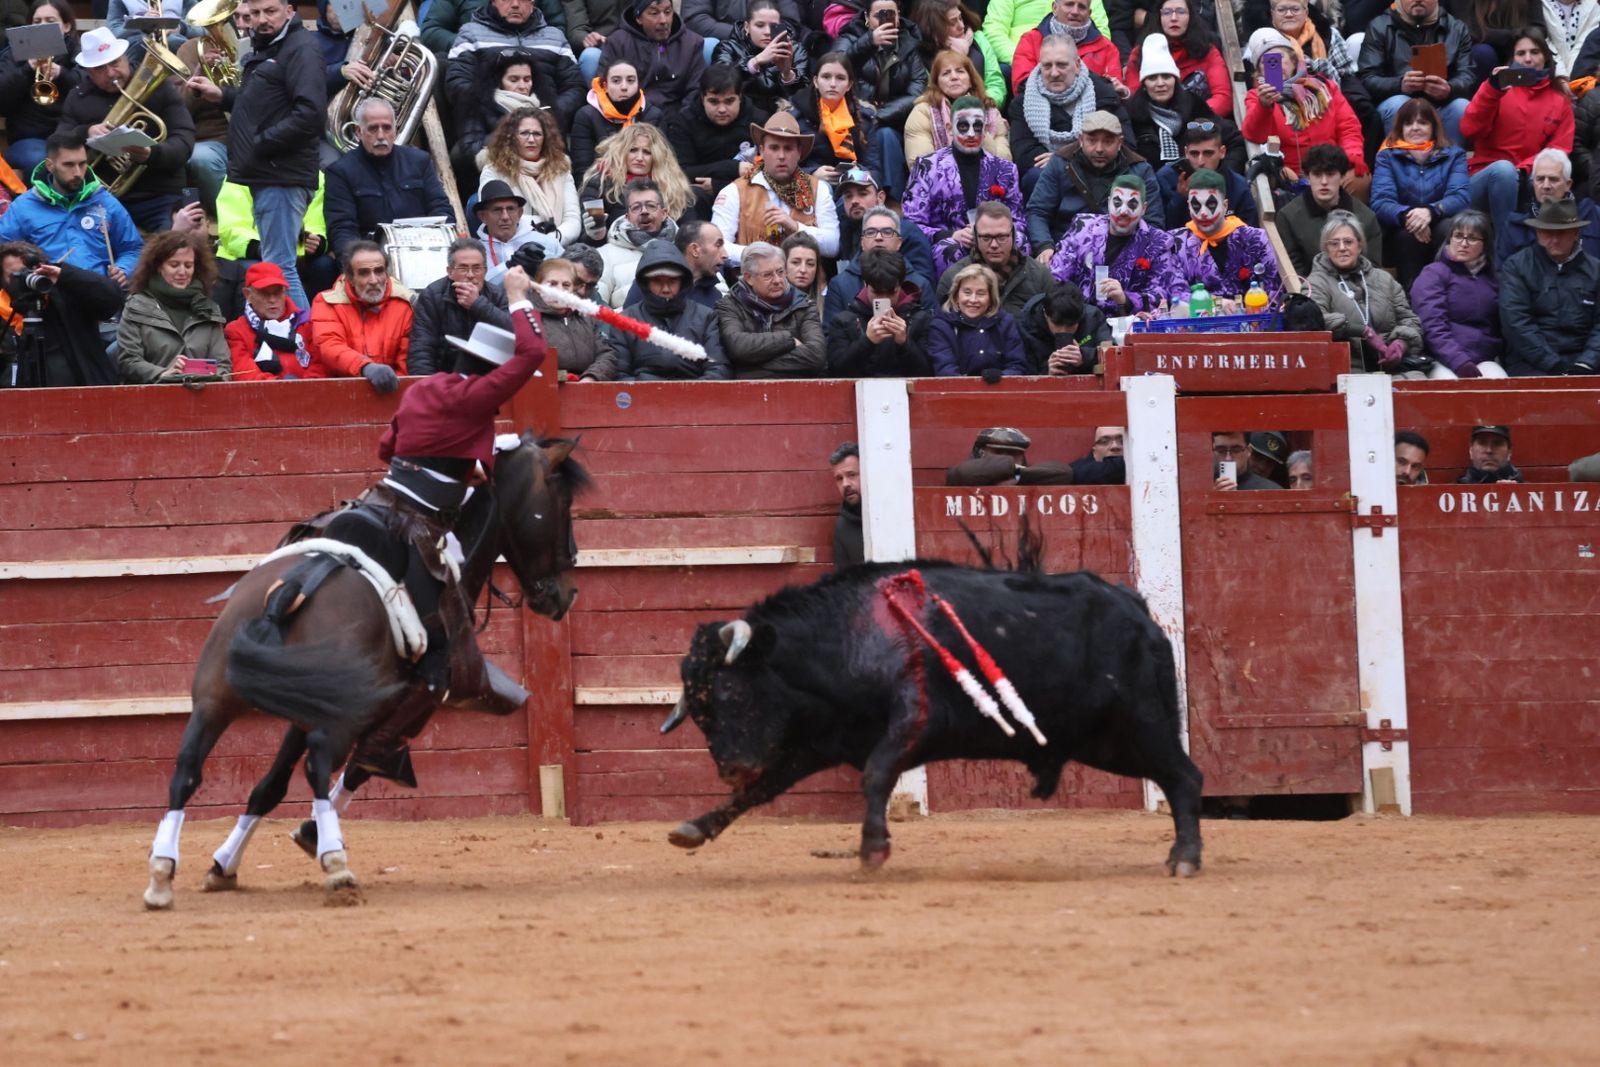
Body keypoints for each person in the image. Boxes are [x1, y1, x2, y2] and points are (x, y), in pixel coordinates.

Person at [346, 264, 552, 747]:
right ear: (492, 372)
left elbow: (385, 448)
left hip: (381, 495)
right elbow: (534, 351)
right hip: (421, 518)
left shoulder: (425, 387)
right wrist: (518, 297)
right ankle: (441, 674)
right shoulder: (480, 395)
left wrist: (460, 464)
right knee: (448, 594)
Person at [183, 0, 324, 315]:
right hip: (268, 173)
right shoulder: (269, 48)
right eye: (256, 13)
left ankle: (308, 342)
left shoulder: (301, 48)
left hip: (282, 174)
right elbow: (263, 103)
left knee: (280, 267)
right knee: (278, 265)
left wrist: (261, 143)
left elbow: (310, 114)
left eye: (270, 11)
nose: (261, 20)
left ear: (289, 10)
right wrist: (223, 96)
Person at [1464, 30, 1576, 254]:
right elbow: (1469, 129)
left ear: (1545, 57)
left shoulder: (1558, 100)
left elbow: (1560, 149)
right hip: (1483, 178)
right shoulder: (1497, 89)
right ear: (1512, 59)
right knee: (1505, 171)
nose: (1528, 59)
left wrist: (1524, 169)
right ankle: (1506, 252)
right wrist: (1491, 90)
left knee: (1545, 177)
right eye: (1521, 53)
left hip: (1526, 177)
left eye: (1534, 52)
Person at [902, 95, 1027, 276]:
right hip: (952, 243)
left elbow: (1018, 221)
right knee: (949, 248)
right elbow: (912, 222)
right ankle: (951, 302)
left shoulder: (1006, 169)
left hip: (995, 240)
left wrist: (993, 235)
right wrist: (950, 236)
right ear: (949, 128)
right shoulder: (927, 166)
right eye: (963, 126)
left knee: (1020, 241)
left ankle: (1014, 302)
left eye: (977, 127)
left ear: (985, 130)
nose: (970, 134)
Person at [0, 131, 141, 285]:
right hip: (49, 295)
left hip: (101, 291)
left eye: (82, 164)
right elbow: (4, 253)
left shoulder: (105, 202)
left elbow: (133, 249)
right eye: (68, 165)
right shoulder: (23, 207)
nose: (77, 172)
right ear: (50, 165)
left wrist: (124, 269)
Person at [323, 99, 454, 260]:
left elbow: (441, 209)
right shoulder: (340, 172)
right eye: (372, 128)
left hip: (422, 250)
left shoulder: (420, 161)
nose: (380, 135)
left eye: (386, 128)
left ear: (396, 130)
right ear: (358, 132)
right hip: (370, 258)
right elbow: (342, 229)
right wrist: (358, 263)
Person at [1307, 210, 1431, 377]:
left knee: (1419, 387)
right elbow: (1314, 320)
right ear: (1326, 249)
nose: (1342, 248)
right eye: (1334, 243)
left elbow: (1409, 320)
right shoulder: (1316, 281)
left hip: (1390, 367)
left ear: (1359, 245)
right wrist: (1362, 331)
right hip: (1346, 369)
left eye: (1348, 242)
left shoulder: (1384, 279)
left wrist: (1401, 343)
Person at [1027, 109, 1161, 261]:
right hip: (1065, 248)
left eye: (1108, 141)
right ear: (1081, 139)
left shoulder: (1140, 169)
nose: (1099, 149)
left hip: (1122, 252)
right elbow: (1038, 211)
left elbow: (1153, 222)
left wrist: (1133, 255)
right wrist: (1045, 246)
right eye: (1092, 140)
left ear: (1120, 142)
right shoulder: (1060, 162)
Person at [1242, 29, 1366, 189]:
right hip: (1292, 176)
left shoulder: (1324, 87)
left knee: (1359, 179)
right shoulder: (1257, 97)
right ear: (1259, 71)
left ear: (1294, 61)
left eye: (1280, 58)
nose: (1275, 66)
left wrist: (1351, 156)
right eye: (1266, 62)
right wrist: (1264, 106)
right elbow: (1255, 136)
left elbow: (1349, 128)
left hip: (1332, 167)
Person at [1008, 35, 1127, 199]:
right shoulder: (1022, 103)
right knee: (1034, 177)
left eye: (1062, 65)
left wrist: (1064, 159)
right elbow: (1025, 155)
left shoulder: (1104, 95)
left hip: (1099, 173)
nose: (1054, 73)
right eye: (1047, 66)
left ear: (1077, 65)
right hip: (1050, 179)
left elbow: (1127, 144)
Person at [1050, 173, 1184, 316]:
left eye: (1132, 204)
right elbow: (1057, 277)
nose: (1123, 211)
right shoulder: (1083, 227)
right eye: (1117, 203)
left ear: (1144, 208)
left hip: (1126, 324)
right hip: (1079, 318)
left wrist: (1125, 298)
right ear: (1108, 203)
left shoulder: (1159, 242)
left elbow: (1161, 294)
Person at [711, 111, 841, 260]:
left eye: (788, 148)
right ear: (761, 150)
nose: (781, 156)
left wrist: (795, 227)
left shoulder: (818, 189)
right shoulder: (734, 191)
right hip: (752, 280)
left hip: (806, 281)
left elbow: (833, 246)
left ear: (799, 152)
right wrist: (765, 257)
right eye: (774, 148)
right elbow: (719, 247)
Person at [1370, 98, 1470, 288]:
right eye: (1408, 123)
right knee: (1408, 236)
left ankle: (1450, 290)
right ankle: (1411, 295)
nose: (1415, 128)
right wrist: (1410, 216)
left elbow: (1460, 196)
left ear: (1433, 127)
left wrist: (1430, 212)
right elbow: (1381, 201)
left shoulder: (1453, 154)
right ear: (1401, 128)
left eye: (1422, 122)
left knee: (1448, 228)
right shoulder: (1387, 156)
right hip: (1401, 227)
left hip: (1440, 221)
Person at [0, 238, 122, 387]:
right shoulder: (2, 310)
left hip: (81, 392)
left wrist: (65, 275)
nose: (26, 278)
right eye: (16, 275)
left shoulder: (67, 295)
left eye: (29, 271)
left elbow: (111, 300)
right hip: (17, 401)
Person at [836, 0, 929, 195]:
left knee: (886, 134)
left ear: (899, 17)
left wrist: (878, 114)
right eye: (879, 15)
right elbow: (834, 68)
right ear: (866, 18)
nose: (885, 20)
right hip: (853, 115)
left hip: (891, 119)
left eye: (891, 14)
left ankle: (893, 199)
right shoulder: (851, 36)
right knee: (882, 136)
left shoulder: (908, 43)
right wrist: (868, 43)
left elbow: (918, 91)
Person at [1499, 196, 1600, 375]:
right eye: (1547, 232)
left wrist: (1586, 364)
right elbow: (1516, 323)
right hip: (1531, 363)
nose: (1553, 240)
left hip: (1587, 363)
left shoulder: (1596, 270)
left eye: (1560, 233)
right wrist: (1552, 364)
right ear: (1537, 233)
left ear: (1576, 233)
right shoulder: (1517, 266)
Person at [447, 0, 584, 130]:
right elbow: (457, 82)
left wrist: (549, 113)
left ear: (532, 3)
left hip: (546, 129)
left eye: (523, 0)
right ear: (493, 2)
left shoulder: (555, 37)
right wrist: (498, 112)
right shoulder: (471, 33)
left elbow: (575, 87)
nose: (515, 5)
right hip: (489, 128)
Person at [116, 230, 230, 383]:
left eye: (188, 265)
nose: (182, 272)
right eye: (174, 265)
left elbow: (223, 366)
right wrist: (163, 374)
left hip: (202, 398)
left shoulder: (209, 309)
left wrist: (209, 377)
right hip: (151, 399)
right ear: (158, 266)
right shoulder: (136, 306)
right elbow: (128, 360)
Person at [1357, 0, 1476, 145]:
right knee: (1398, 104)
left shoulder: (1456, 28)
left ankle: (1450, 162)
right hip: (1397, 102)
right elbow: (1367, 78)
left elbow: (1468, 75)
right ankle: (1401, 163)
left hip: (1442, 105)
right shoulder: (1379, 26)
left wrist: (1449, 88)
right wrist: (1400, 84)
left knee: (1461, 107)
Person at [213, 177, 335, 316]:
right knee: (258, 270)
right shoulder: (239, 174)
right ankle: (299, 330)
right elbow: (232, 228)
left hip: (298, 253)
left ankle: (318, 325)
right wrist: (263, 248)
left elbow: (317, 223)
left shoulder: (314, 175)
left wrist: (316, 241)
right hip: (250, 252)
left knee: (324, 265)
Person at [1410, 209, 1509, 378]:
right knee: (1451, 386)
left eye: (1472, 238)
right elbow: (1432, 326)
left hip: (1484, 358)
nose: (1463, 243)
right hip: (1442, 359)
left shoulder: (1493, 279)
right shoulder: (1434, 274)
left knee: (1499, 384)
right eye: (1458, 236)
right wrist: (1460, 362)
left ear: (1485, 244)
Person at [667, 64, 773, 219]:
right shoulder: (683, 122)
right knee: (689, 195)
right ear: (702, 98)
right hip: (703, 198)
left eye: (729, 101)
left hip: (749, 194)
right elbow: (681, 171)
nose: (722, 109)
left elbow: (771, 173)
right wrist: (733, 168)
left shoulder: (759, 121)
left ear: (740, 97)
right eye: (714, 102)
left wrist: (718, 185)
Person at [613, 239, 731, 379]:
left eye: (672, 281)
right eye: (657, 281)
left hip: (695, 396)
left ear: (683, 282)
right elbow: (619, 374)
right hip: (643, 397)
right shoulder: (625, 321)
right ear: (645, 283)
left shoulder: (706, 317)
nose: (666, 289)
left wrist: (692, 394)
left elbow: (718, 367)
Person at [311, 240, 416, 390]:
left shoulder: (405, 304)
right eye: (364, 273)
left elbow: (408, 362)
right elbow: (330, 347)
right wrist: (366, 367)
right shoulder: (327, 302)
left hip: (391, 391)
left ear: (387, 273)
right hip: (338, 391)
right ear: (350, 278)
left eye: (379, 271)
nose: (373, 280)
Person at [1170, 168, 1281, 309]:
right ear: (1189, 207)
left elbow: (1272, 291)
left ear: (1225, 206)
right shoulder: (1176, 242)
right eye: (1196, 205)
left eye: (1211, 205)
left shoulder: (1254, 238)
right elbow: (1175, 293)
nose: (1203, 213)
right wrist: (1214, 304)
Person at [714, 241, 825, 378]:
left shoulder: (804, 305)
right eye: (768, 275)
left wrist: (748, 369)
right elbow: (737, 346)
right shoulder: (729, 305)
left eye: (780, 272)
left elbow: (816, 357)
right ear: (749, 278)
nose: (778, 280)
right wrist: (788, 340)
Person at [0, 0, 82, 182]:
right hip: (28, 139)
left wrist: (62, 74)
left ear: (66, 26)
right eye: (37, 22)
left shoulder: (78, 52)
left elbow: (87, 88)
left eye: (50, 20)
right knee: (41, 162)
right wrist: (26, 70)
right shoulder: (13, 54)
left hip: (71, 136)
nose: (43, 26)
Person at [1125, 36, 1233, 174]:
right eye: (1152, 78)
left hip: (1198, 186)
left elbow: (1232, 138)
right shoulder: (1132, 112)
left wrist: (1221, 175)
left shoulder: (1193, 104)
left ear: (1175, 80)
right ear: (1144, 84)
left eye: (1166, 76)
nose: (1160, 83)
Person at [1275, 143, 1384, 279]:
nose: (1324, 181)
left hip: (1358, 292)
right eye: (1317, 174)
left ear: (1343, 176)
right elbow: (1294, 273)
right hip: (1312, 293)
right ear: (1308, 177)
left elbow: (1372, 269)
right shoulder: (1288, 217)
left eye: (1331, 174)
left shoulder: (1366, 218)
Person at [478, 107, 583, 246]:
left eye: (537, 134)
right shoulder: (494, 170)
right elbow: (494, 216)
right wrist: (538, 230)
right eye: (524, 133)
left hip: (556, 245)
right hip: (510, 246)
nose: (532, 139)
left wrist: (551, 241)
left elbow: (573, 219)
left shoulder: (561, 169)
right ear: (511, 137)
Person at [409, 239, 514, 376]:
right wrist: (427, 386)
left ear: (485, 271)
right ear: (450, 272)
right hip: (444, 379)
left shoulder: (497, 295)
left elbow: (515, 333)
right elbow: (422, 348)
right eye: (463, 268)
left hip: (489, 379)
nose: (470, 275)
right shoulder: (432, 296)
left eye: (477, 268)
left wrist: (479, 305)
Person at [825, 248, 933, 377]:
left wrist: (904, 343)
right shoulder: (844, 321)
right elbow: (837, 373)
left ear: (900, 285)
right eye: (877, 292)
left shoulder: (920, 319)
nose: (884, 299)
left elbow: (928, 373)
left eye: (891, 292)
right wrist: (867, 342)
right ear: (866, 284)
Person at [577, 123, 694, 241]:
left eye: (647, 152)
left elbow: (689, 234)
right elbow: (585, 239)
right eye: (633, 150)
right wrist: (596, 235)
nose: (639, 158)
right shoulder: (600, 182)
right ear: (621, 151)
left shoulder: (672, 185)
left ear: (657, 157)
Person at [935, 200, 1054, 315]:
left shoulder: (1039, 276)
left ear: (1013, 234)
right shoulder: (953, 279)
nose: (994, 245)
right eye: (986, 238)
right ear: (976, 236)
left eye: (1001, 237)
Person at [824, 204, 936, 320]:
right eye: (871, 232)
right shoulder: (840, 285)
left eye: (887, 232)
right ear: (862, 242)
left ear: (899, 243)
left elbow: (933, 334)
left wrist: (903, 336)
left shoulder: (920, 285)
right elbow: (831, 335)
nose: (878, 237)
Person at [452, 50, 544, 186]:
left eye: (527, 79)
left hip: (540, 179)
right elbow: (469, 151)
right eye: (514, 80)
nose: (523, 86)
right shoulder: (477, 104)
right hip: (495, 181)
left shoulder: (542, 106)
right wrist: (509, 131)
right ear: (498, 81)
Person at [1123, 0, 1230, 114]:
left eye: (1181, 12)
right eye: (1167, 12)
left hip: (1197, 123)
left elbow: (1223, 97)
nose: (1174, 18)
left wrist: (1191, 117)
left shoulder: (1208, 51)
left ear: (1191, 16)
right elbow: (1133, 93)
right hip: (1152, 122)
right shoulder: (1141, 52)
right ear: (1159, 17)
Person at [601, 0, 707, 114]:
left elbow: (695, 91)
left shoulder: (692, 43)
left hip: (677, 120)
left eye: (667, 12)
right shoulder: (617, 43)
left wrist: (681, 122)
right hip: (631, 118)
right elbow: (603, 86)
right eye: (654, 13)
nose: (663, 20)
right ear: (638, 18)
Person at [569, 58, 667, 180]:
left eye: (631, 80)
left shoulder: (653, 116)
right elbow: (582, 169)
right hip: (602, 186)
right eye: (616, 81)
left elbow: (662, 165)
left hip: (646, 188)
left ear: (638, 85)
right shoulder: (586, 116)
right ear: (605, 86)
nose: (624, 87)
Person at [789, 51, 879, 184]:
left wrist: (857, 173)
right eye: (826, 77)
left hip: (851, 190)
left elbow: (875, 172)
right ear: (816, 81)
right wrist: (812, 174)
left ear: (849, 85)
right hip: (811, 190)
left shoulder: (864, 119)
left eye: (840, 78)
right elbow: (782, 168)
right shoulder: (796, 119)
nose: (832, 84)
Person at [1497, 147, 1600, 263]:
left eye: (1553, 179)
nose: (1546, 185)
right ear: (1533, 183)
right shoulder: (1515, 225)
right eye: (1540, 179)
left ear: (1568, 184)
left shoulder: (1594, 216)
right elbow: (1502, 273)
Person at [224, 260, 323, 380]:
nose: (272, 299)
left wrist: (303, 389)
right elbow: (245, 373)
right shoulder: (236, 331)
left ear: (285, 291)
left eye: (277, 292)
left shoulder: (307, 323)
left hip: (310, 394)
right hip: (264, 397)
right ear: (247, 294)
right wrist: (283, 389)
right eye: (264, 293)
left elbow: (320, 366)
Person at [905, 50, 1011, 162]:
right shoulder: (923, 111)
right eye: (946, 73)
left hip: (987, 176)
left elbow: (1004, 161)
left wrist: (979, 128)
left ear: (971, 80)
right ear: (937, 83)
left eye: (960, 71)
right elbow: (921, 164)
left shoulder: (989, 110)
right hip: (940, 177)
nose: (954, 77)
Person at [927, 262, 1028, 377]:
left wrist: (1001, 377)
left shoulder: (1005, 323)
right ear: (956, 296)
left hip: (1000, 391)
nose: (973, 300)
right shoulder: (941, 326)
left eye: (981, 293)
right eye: (967, 292)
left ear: (991, 298)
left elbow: (1018, 365)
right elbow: (945, 369)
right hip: (957, 392)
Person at [711, 0, 810, 113]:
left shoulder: (795, 50)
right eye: (760, 25)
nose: (767, 32)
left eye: (773, 26)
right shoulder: (727, 48)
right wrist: (754, 62)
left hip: (785, 118)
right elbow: (720, 85)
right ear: (747, 27)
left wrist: (788, 75)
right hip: (742, 115)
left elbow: (805, 99)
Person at [832, 167, 936, 273]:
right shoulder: (843, 233)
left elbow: (923, 284)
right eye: (848, 196)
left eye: (863, 193)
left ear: (880, 198)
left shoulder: (908, 232)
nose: (854, 201)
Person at [1153, 119, 1255, 228]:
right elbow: (1161, 233)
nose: (1200, 162)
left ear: (1222, 152)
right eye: (1194, 154)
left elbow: (1251, 233)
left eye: (1208, 153)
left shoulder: (1238, 185)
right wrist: (1180, 199)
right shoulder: (1165, 178)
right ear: (1186, 152)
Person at [532, 256, 618, 379]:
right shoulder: (527, 318)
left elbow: (607, 355)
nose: (560, 290)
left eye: (566, 285)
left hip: (586, 388)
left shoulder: (586, 318)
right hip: (545, 389)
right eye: (552, 284)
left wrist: (591, 377)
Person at [597, 177, 679, 307]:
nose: (644, 211)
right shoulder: (605, 255)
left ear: (664, 214)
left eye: (651, 206)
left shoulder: (683, 248)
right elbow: (597, 306)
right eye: (636, 207)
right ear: (627, 217)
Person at [910, 0, 1006, 108]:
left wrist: (980, 105)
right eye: (952, 22)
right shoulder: (921, 54)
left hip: (982, 110)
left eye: (960, 18)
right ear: (933, 28)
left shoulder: (978, 39)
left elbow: (996, 83)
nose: (961, 26)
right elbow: (926, 94)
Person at [1010, 0, 1121, 91]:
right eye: (1069, 4)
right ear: (1054, 8)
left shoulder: (1107, 48)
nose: (1075, 11)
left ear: (1089, 13)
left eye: (1082, 7)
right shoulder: (1030, 40)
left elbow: (1113, 94)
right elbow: (1022, 85)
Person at [619, 219, 728, 307]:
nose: (725, 255)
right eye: (718, 245)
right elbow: (628, 327)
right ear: (695, 250)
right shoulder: (648, 283)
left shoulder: (715, 297)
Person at [473, 179, 559, 284]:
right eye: (497, 210)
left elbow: (569, 278)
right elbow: (475, 286)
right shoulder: (474, 252)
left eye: (510, 209)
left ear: (519, 213)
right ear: (482, 217)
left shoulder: (547, 242)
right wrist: (509, 265)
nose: (505, 217)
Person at [1016, 280, 1110, 374]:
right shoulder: (1026, 324)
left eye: (1071, 325)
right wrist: (1046, 373)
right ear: (1045, 314)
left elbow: (1111, 354)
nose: (1063, 330)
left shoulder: (1093, 317)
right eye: (1057, 324)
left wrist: (1085, 357)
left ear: (1081, 316)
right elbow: (1019, 368)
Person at [944, 426, 1076, 485]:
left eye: (1014, 454)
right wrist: (1012, 468)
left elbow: (1064, 472)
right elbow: (962, 472)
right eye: (998, 452)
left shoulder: (1026, 474)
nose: (1007, 457)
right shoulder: (962, 473)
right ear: (981, 451)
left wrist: (1018, 476)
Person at [829, 440, 864, 570]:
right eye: (839, 478)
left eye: (851, 475)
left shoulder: (893, 509)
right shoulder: (842, 527)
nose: (845, 484)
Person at [1211, 430, 1280, 490]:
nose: (1228, 458)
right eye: (1221, 450)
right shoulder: (1202, 486)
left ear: (1249, 451)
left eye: (1236, 450)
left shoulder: (1269, 489)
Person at [1456, 423, 1525, 483]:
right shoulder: (1454, 493)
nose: (1489, 450)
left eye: (1497, 443)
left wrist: (1516, 494)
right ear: (1471, 450)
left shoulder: (1529, 493)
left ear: (1509, 452)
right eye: (1482, 443)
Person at [782, 230, 825, 313]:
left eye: (810, 264)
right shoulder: (769, 305)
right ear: (784, 265)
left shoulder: (826, 305)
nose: (803, 270)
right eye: (795, 262)